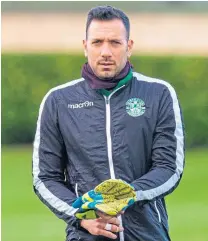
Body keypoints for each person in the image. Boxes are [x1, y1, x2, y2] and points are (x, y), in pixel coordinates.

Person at [32, 5, 185, 241]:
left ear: (129, 46)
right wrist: (80, 217)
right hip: (85, 236)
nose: (106, 51)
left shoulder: (159, 94)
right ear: (85, 47)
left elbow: (169, 167)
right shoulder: (58, 100)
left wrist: (127, 195)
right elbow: (45, 177)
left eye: (114, 42)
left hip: (148, 234)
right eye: (97, 42)